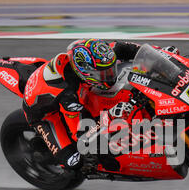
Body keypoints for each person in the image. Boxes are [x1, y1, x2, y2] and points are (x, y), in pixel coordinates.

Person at [22, 38, 177, 170]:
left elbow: (131, 49)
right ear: (86, 73)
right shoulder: (70, 95)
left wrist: (161, 54)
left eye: (110, 69)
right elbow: (81, 133)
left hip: (74, 88)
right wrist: (110, 115)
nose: (111, 75)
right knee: (73, 160)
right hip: (45, 113)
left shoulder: (100, 53)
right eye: (104, 73)